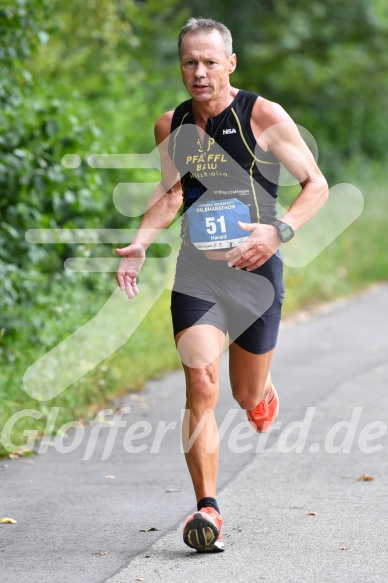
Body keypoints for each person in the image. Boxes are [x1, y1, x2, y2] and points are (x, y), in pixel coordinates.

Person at [115, 17, 328, 553]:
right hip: (199, 273)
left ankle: (261, 392)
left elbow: (315, 184)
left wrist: (278, 232)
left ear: (230, 64)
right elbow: (171, 193)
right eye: (190, 62)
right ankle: (206, 507)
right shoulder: (172, 125)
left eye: (211, 61)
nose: (200, 72)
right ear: (181, 66)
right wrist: (141, 240)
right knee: (201, 382)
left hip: (256, 274)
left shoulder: (263, 115)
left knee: (243, 392)